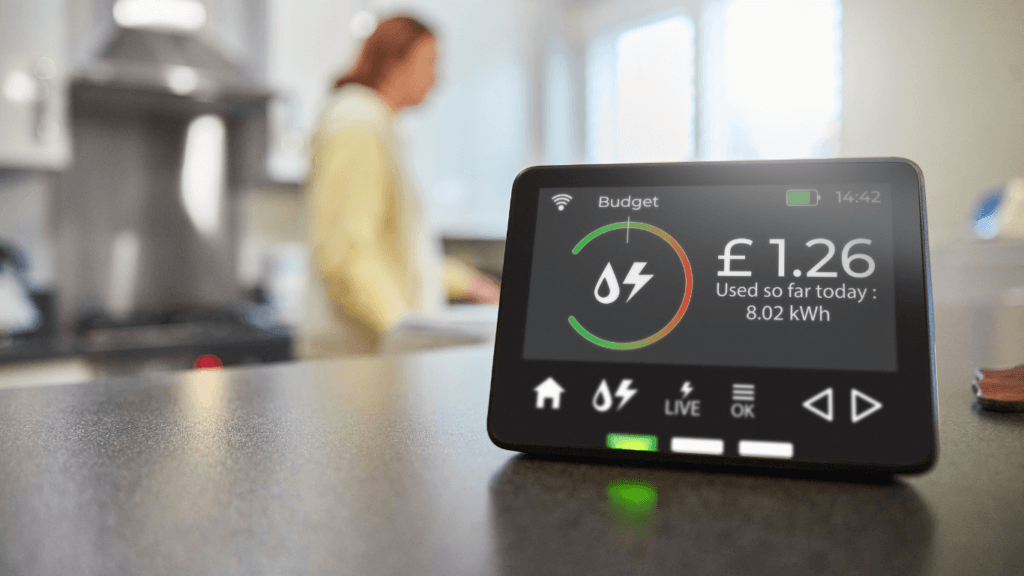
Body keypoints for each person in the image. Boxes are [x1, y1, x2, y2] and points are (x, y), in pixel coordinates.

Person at [300, 15, 499, 358]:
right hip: (358, 362)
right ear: (395, 62)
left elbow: (402, 258)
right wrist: (405, 330)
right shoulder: (357, 125)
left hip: (371, 359)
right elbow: (347, 254)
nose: (437, 79)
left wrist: (472, 285)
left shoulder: (377, 125)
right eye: (431, 64)